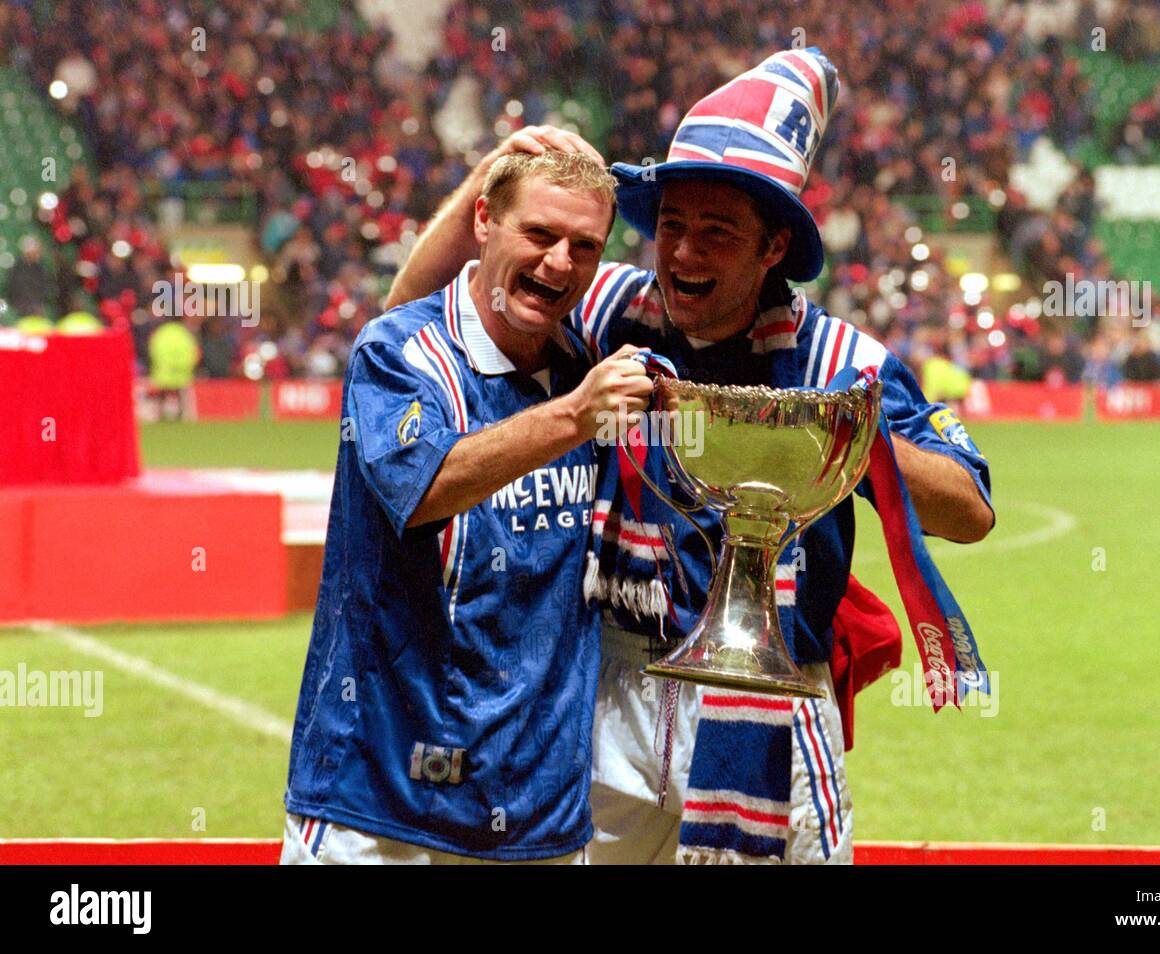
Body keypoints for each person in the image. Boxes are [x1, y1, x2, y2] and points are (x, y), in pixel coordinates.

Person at [388, 49, 994, 865]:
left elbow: (970, 512)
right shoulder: (612, 310)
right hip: (608, 681)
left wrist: (849, 434)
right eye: (672, 226)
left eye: (717, 233)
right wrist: (485, 186)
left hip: (768, 694)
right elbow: (410, 320)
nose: (682, 255)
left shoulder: (841, 364)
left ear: (774, 246)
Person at [281, 147, 653, 864]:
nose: (558, 263)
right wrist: (575, 418)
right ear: (484, 220)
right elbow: (421, 492)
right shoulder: (398, 353)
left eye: (584, 247)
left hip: (537, 813)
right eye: (539, 235)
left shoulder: (587, 365)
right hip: (380, 804)